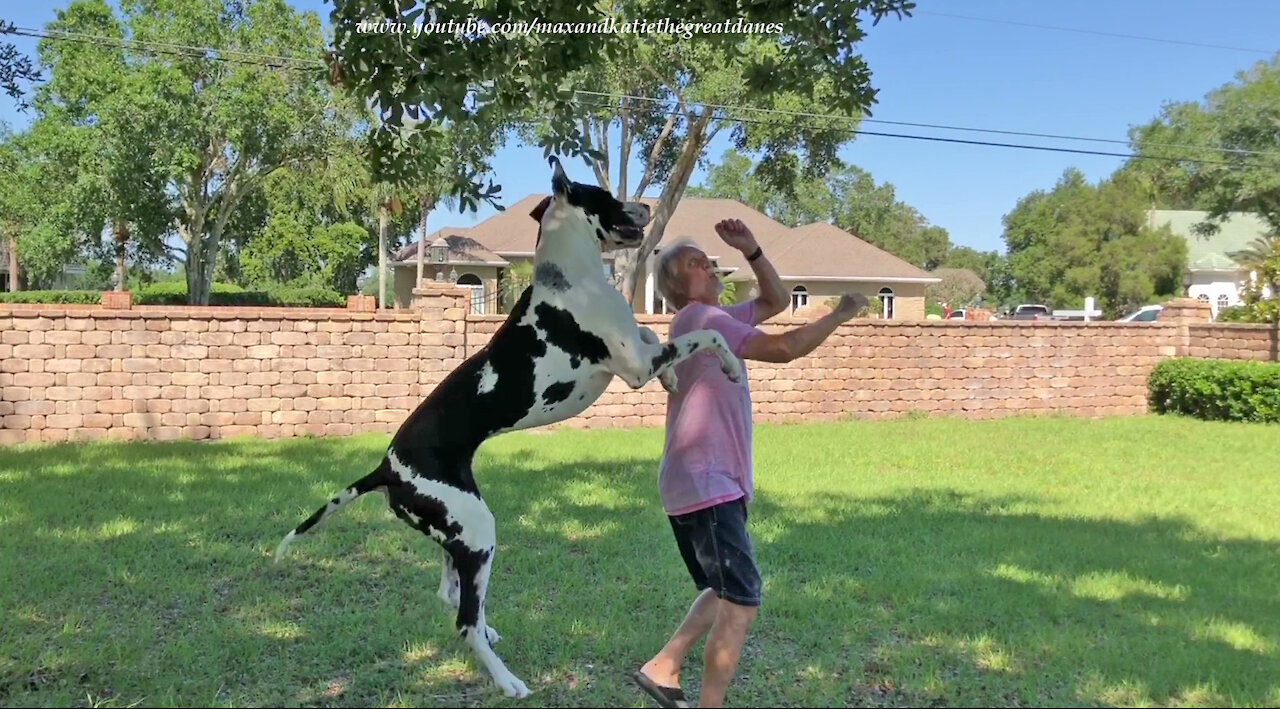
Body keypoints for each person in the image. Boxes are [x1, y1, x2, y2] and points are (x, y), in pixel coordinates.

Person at [631, 218, 868, 708]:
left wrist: (753, 250)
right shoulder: (704, 319)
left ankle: (663, 667)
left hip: (698, 482)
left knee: (722, 590)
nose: (710, 265)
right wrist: (840, 313)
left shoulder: (707, 319)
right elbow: (784, 347)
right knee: (741, 601)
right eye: (697, 264)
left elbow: (775, 303)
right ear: (679, 286)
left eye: (709, 259)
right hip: (707, 481)